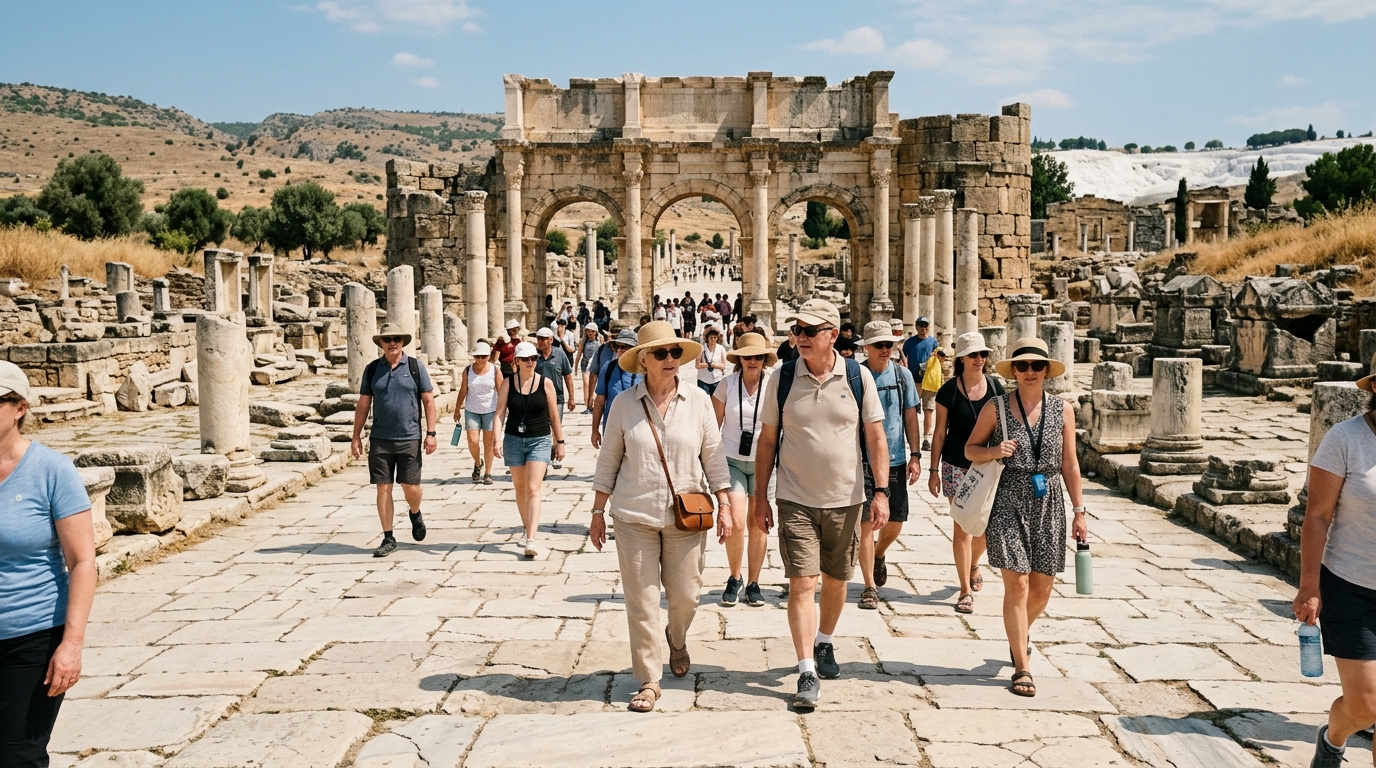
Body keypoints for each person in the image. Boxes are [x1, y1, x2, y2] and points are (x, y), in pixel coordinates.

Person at [589, 321, 732, 713]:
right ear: (644, 361)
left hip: (686, 517)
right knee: (642, 601)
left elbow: (714, 456)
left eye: (675, 353)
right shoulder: (623, 405)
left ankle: (678, 636)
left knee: (686, 595)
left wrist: (726, 503)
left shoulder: (699, 401)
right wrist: (598, 511)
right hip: (634, 515)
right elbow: (608, 463)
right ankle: (649, 679)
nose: (670, 360)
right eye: (661, 354)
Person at [754, 299, 888, 711]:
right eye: (798, 330)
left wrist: (880, 491)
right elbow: (767, 439)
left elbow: (876, 437)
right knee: (802, 582)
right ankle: (807, 668)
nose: (802, 337)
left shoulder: (857, 376)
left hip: (845, 498)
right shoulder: (781, 377)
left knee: (836, 580)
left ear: (832, 333)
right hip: (794, 496)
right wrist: (760, 497)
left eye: (811, 331)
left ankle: (825, 640)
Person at [964, 337, 1086, 698]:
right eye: (1022, 366)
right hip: (1009, 498)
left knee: (1042, 588)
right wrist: (993, 450)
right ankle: (1022, 665)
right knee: (1016, 584)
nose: (1029, 372)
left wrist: (1080, 512)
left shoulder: (1063, 409)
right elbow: (970, 449)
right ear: (1013, 370)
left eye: (1036, 365)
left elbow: (1070, 463)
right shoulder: (996, 407)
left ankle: (1019, 633)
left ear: (1046, 370)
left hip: (1048, 498)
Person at [0, 361, 96, 767]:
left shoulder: (52, 470)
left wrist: (71, 646)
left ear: (19, 408)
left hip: (31, 636)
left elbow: (82, 561)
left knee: (17, 756)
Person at [1294, 370, 1376, 766]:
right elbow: (1317, 516)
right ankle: (1334, 736)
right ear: (1375, 386)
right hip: (1352, 585)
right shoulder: (1345, 439)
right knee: (1367, 704)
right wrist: (1310, 585)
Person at [930, 332, 1004, 614]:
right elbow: (939, 434)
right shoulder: (948, 391)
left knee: (985, 527)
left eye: (983, 354)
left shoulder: (996, 388)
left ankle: (973, 563)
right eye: (974, 354)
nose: (980, 359)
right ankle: (963, 590)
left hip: (988, 466)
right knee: (962, 528)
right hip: (955, 465)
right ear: (961, 358)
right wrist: (933, 470)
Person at [351, 323, 438, 558]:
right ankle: (388, 537)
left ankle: (415, 512)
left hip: (409, 437)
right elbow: (363, 404)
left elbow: (429, 401)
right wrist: (356, 435)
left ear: (402, 342)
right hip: (380, 438)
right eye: (388, 339)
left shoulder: (414, 366)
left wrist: (431, 433)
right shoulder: (372, 370)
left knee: (411, 487)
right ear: (381, 343)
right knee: (383, 488)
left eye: (397, 339)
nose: (392, 343)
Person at [856, 322, 922, 611]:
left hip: (895, 458)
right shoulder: (855, 375)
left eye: (889, 345)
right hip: (860, 460)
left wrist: (917, 455)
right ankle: (869, 586)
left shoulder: (903, 376)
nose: (885, 350)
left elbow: (910, 417)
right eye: (879, 345)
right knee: (866, 524)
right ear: (867, 348)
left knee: (894, 522)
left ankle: (879, 553)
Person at [713, 332, 775, 608]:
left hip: (764, 462)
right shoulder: (726, 385)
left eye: (758, 357)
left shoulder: (773, 385)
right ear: (740, 360)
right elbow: (711, 428)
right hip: (731, 460)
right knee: (737, 522)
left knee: (758, 524)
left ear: (764, 360)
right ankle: (734, 576)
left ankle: (754, 582)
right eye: (748, 357)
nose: (753, 361)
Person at [495, 341, 565, 558]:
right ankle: (527, 529)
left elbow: (554, 415)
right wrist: (496, 439)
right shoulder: (508, 383)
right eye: (525, 359)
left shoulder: (546, 384)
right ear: (516, 361)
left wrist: (559, 442)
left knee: (534, 488)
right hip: (514, 439)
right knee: (520, 488)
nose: (531, 362)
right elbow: (499, 413)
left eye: (534, 358)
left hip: (539, 439)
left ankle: (531, 539)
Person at [455, 341, 502, 485]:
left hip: (490, 410)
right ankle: (477, 462)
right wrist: (457, 409)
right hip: (472, 410)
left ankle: (488, 472)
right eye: (477, 357)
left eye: (483, 356)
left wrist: (503, 411)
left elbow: (501, 391)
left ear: (489, 356)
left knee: (488, 442)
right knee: (473, 441)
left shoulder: (495, 370)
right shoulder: (468, 370)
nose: (480, 359)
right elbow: (463, 390)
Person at [533, 327, 576, 469]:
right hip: (538, 398)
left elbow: (568, 376)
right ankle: (543, 457)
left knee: (556, 427)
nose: (541, 341)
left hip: (557, 398)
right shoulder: (533, 356)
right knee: (542, 428)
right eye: (539, 338)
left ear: (551, 340)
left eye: (544, 339)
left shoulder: (560, 354)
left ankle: (556, 454)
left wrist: (572, 397)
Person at [592, 329, 642, 448]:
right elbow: (599, 401)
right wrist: (595, 430)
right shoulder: (608, 368)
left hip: (638, 429)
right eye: (618, 346)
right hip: (612, 429)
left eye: (624, 347)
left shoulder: (644, 371)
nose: (620, 350)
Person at [902, 317, 938, 451]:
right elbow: (904, 358)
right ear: (916, 327)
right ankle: (912, 436)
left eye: (926, 326)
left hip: (929, 381)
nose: (923, 328)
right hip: (913, 381)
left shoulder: (933, 341)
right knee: (912, 410)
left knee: (928, 409)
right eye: (921, 325)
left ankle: (927, 438)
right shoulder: (910, 342)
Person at [575, 324, 602, 414]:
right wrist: (575, 366)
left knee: (594, 386)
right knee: (586, 384)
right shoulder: (584, 341)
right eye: (588, 331)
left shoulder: (600, 341)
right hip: (585, 364)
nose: (590, 333)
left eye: (592, 331)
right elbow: (579, 354)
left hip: (596, 366)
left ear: (596, 332)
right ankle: (588, 405)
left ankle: (593, 404)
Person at [695, 325, 727, 397]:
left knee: (716, 401)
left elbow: (723, 365)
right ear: (707, 338)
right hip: (703, 379)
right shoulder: (701, 348)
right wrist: (707, 365)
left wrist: (713, 365)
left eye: (715, 337)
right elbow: (697, 365)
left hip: (717, 379)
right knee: (703, 400)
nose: (713, 340)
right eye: (711, 338)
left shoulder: (721, 348)